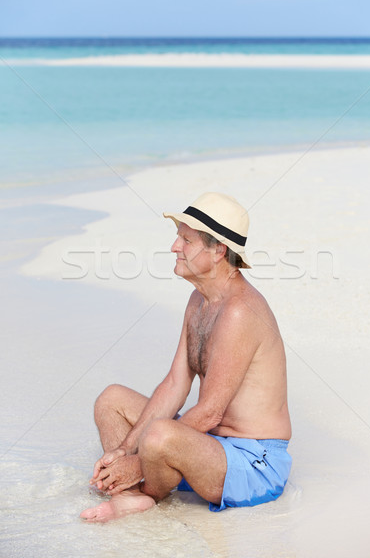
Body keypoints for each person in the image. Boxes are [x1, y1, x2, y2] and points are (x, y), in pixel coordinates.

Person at [80, 192, 292, 523]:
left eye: (186, 239)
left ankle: (142, 489)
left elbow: (209, 412)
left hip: (253, 462)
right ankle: (133, 495)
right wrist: (126, 448)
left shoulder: (240, 311)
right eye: (178, 236)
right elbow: (175, 384)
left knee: (159, 436)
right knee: (111, 401)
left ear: (219, 250)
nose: (174, 247)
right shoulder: (199, 300)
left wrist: (137, 461)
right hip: (209, 445)